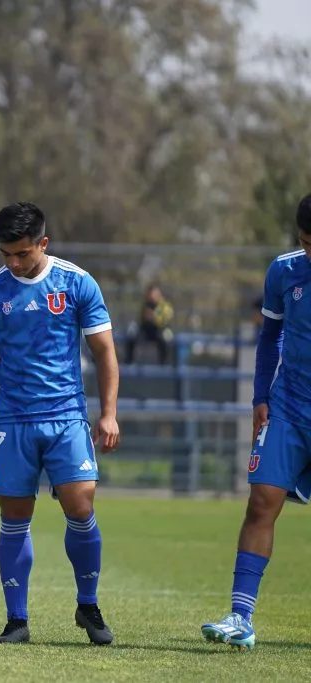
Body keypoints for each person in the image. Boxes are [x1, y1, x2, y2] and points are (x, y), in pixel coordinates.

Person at [0, 202, 120, 645]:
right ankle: (16, 620)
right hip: (13, 421)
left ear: (43, 243)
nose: (13, 263)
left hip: (66, 416)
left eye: (22, 253)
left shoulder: (77, 283)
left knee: (80, 507)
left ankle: (88, 605)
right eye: (5, 254)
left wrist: (108, 412)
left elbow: (103, 350)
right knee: (14, 517)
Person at [201, 193, 311, 651]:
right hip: (288, 405)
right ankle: (240, 617)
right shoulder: (284, 271)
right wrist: (259, 397)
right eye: (307, 242)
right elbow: (270, 337)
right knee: (262, 502)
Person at [123, 284, 173, 365]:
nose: (153, 296)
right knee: (132, 333)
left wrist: (154, 317)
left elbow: (165, 320)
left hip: (160, 330)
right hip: (146, 329)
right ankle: (129, 361)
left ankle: (164, 364)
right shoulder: (146, 305)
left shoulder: (164, 306)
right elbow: (142, 319)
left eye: (155, 294)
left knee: (165, 338)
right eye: (152, 294)